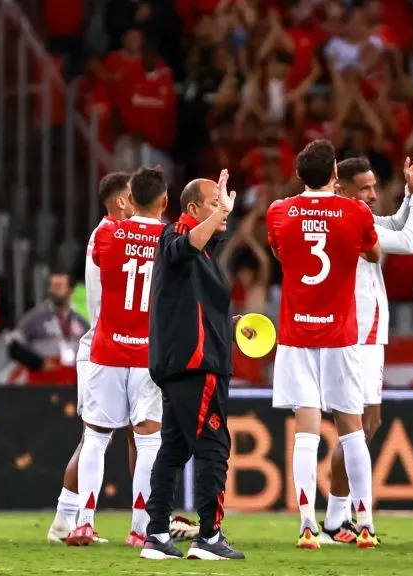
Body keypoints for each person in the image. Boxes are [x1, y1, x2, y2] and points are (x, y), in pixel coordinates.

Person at [267, 140, 382, 550]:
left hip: (297, 335)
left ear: (300, 175)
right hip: (341, 336)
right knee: (352, 430)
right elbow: (374, 253)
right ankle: (365, 523)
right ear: (336, 175)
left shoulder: (279, 212)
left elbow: (282, 254)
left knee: (306, 433)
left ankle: (306, 526)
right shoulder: (356, 212)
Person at [319, 155, 413, 545]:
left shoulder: (357, 217)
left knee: (366, 425)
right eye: (364, 188)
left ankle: (337, 517)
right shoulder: (346, 218)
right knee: (357, 428)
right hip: (357, 332)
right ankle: (338, 518)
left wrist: (408, 194)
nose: (372, 194)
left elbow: (394, 226)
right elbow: (406, 240)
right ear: (342, 189)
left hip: (366, 331)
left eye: (374, 186)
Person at [140, 170, 246, 561]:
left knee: (174, 449)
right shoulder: (174, 236)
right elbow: (183, 245)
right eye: (214, 202)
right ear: (192, 209)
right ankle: (209, 536)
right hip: (195, 365)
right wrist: (217, 217)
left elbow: (192, 306)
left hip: (188, 362)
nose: (223, 210)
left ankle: (155, 535)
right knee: (213, 447)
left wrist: (226, 325)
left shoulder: (205, 255)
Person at [67, 167, 167, 548]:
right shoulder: (169, 237)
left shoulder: (106, 233)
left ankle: (84, 523)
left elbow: (100, 273)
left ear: (130, 200)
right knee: (147, 441)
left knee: (95, 436)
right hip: (147, 352)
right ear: (163, 201)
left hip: (106, 349)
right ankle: (140, 529)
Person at [48, 172, 134, 544]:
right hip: (106, 347)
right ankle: (69, 519)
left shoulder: (110, 235)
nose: (138, 203)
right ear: (118, 201)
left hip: (111, 345)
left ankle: (144, 516)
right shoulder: (109, 236)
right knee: (99, 437)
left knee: (127, 436)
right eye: (133, 197)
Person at [4, 272, 89, 385]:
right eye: (53, 286)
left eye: (59, 286)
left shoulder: (80, 321)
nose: (55, 290)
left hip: (72, 382)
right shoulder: (36, 317)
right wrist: (38, 362)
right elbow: (13, 346)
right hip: (43, 381)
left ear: (70, 289)